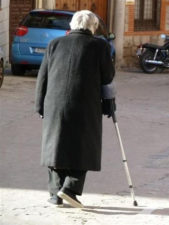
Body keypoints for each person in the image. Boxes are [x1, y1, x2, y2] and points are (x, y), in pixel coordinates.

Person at [35, 10, 116, 208]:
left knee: (56, 146)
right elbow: (108, 78)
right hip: (85, 104)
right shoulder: (100, 46)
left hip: (54, 103)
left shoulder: (55, 44)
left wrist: (39, 104)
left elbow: (43, 76)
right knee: (84, 147)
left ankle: (56, 193)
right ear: (93, 27)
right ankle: (70, 188)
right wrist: (109, 104)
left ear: (72, 25)